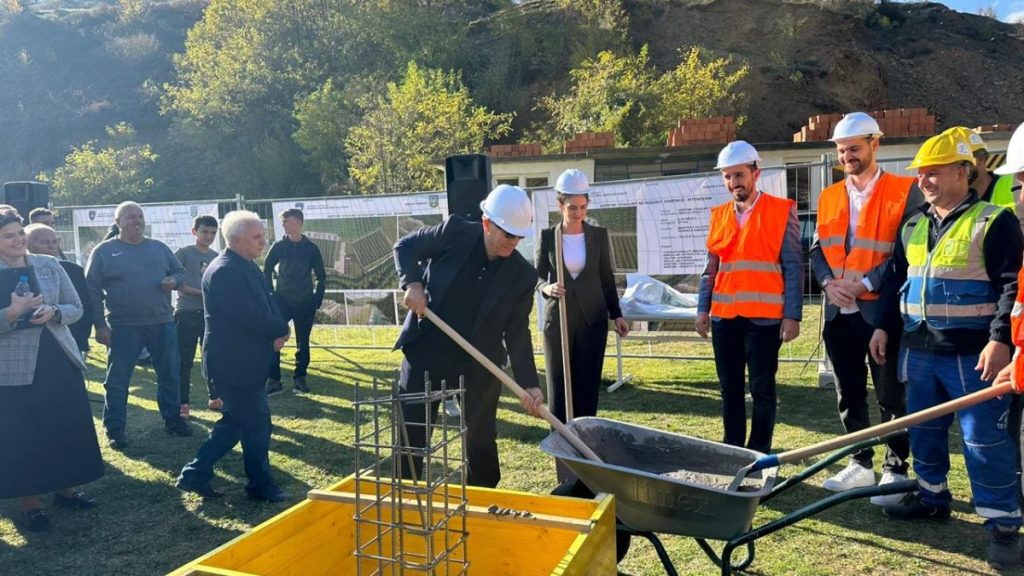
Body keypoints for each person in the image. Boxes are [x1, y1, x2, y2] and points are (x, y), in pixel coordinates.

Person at [870, 131, 1023, 570]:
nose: (924, 181)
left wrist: (1000, 339)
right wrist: (883, 328)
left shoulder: (994, 221)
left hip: (973, 355)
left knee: (983, 440)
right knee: (924, 430)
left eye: (933, 172)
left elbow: (1011, 286)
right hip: (918, 350)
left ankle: (1003, 525)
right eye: (920, 174)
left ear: (963, 172)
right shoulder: (914, 224)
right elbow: (895, 281)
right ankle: (931, 495)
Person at [394, 184, 544, 488]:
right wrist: (413, 284)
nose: (513, 243)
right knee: (411, 433)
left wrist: (529, 383)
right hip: (428, 348)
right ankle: (405, 498)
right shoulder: (454, 232)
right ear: (487, 223)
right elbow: (405, 247)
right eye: (507, 234)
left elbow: (517, 331)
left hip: (479, 362)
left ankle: (484, 500)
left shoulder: (522, 276)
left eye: (518, 236)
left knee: (481, 439)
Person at [809, 112, 918, 502]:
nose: (847, 157)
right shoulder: (828, 195)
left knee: (891, 395)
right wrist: (828, 283)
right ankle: (860, 463)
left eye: (854, 149)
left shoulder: (905, 191)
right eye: (841, 151)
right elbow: (817, 248)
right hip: (839, 312)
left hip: (881, 312)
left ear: (875, 144)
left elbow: (905, 253)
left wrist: (864, 284)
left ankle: (895, 468)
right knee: (849, 391)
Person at [695, 141, 802, 455]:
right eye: (727, 176)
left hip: (764, 320)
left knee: (762, 390)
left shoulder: (781, 211)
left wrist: (792, 315)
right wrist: (702, 309)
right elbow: (710, 270)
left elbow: (793, 267)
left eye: (739, 175)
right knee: (729, 390)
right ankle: (732, 450)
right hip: (724, 318)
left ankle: (759, 453)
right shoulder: (719, 215)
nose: (733, 183)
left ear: (756, 173)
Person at [176, 211, 291, 502]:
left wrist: (281, 327)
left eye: (263, 236)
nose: (263, 242)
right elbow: (247, 316)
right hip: (233, 364)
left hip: (245, 361)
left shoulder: (245, 266)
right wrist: (279, 329)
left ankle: (196, 474)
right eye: (257, 237)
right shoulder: (225, 271)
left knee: (237, 423)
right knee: (255, 424)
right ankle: (259, 485)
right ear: (237, 240)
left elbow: (268, 303)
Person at [0, 209, 103, 532]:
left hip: (57, 356)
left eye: (20, 233)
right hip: (13, 367)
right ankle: (31, 506)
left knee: (64, 425)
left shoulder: (49, 264)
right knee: (25, 435)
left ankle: (66, 491)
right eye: (8, 236)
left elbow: (76, 308)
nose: (18, 240)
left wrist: (54, 311)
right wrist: (12, 312)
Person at [85, 201, 189, 449]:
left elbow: (180, 273)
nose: (137, 220)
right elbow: (91, 290)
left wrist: (173, 280)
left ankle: (173, 419)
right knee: (118, 380)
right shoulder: (104, 251)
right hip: (123, 326)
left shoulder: (159, 248)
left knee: (169, 374)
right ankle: (115, 428)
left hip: (162, 322)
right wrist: (99, 325)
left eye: (140, 216)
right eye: (130, 217)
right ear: (118, 222)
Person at [536, 168, 628, 425]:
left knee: (587, 385)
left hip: (592, 320)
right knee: (558, 385)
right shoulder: (547, 236)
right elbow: (537, 277)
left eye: (583, 207)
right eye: (572, 208)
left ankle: (585, 437)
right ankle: (560, 438)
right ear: (560, 205)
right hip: (559, 321)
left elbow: (607, 278)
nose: (578, 213)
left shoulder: (598, 235)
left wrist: (617, 315)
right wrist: (546, 288)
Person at [264, 208, 325, 395]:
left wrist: (316, 299)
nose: (283, 225)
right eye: (282, 221)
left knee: (303, 342)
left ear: (298, 223)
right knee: (275, 338)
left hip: (305, 302)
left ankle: (300, 378)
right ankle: (274, 380)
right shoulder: (279, 246)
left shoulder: (311, 248)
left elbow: (321, 276)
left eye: (286, 221)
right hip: (281, 301)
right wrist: (271, 295)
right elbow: (266, 270)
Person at [175, 215, 222, 418]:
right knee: (184, 361)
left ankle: (215, 397)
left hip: (209, 314)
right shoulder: (184, 253)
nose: (208, 236)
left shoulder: (217, 256)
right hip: (186, 313)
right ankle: (183, 403)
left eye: (213, 232)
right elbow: (178, 284)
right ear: (194, 231)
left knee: (212, 358)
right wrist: (203, 292)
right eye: (204, 231)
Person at [25, 224, 92, 358]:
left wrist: (82, 338)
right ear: (27, 244)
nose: (51, 246)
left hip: (67, 336)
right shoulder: (16, 270)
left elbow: (83, 306)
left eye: (54, 241)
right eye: (44, 242)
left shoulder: (73, 270)